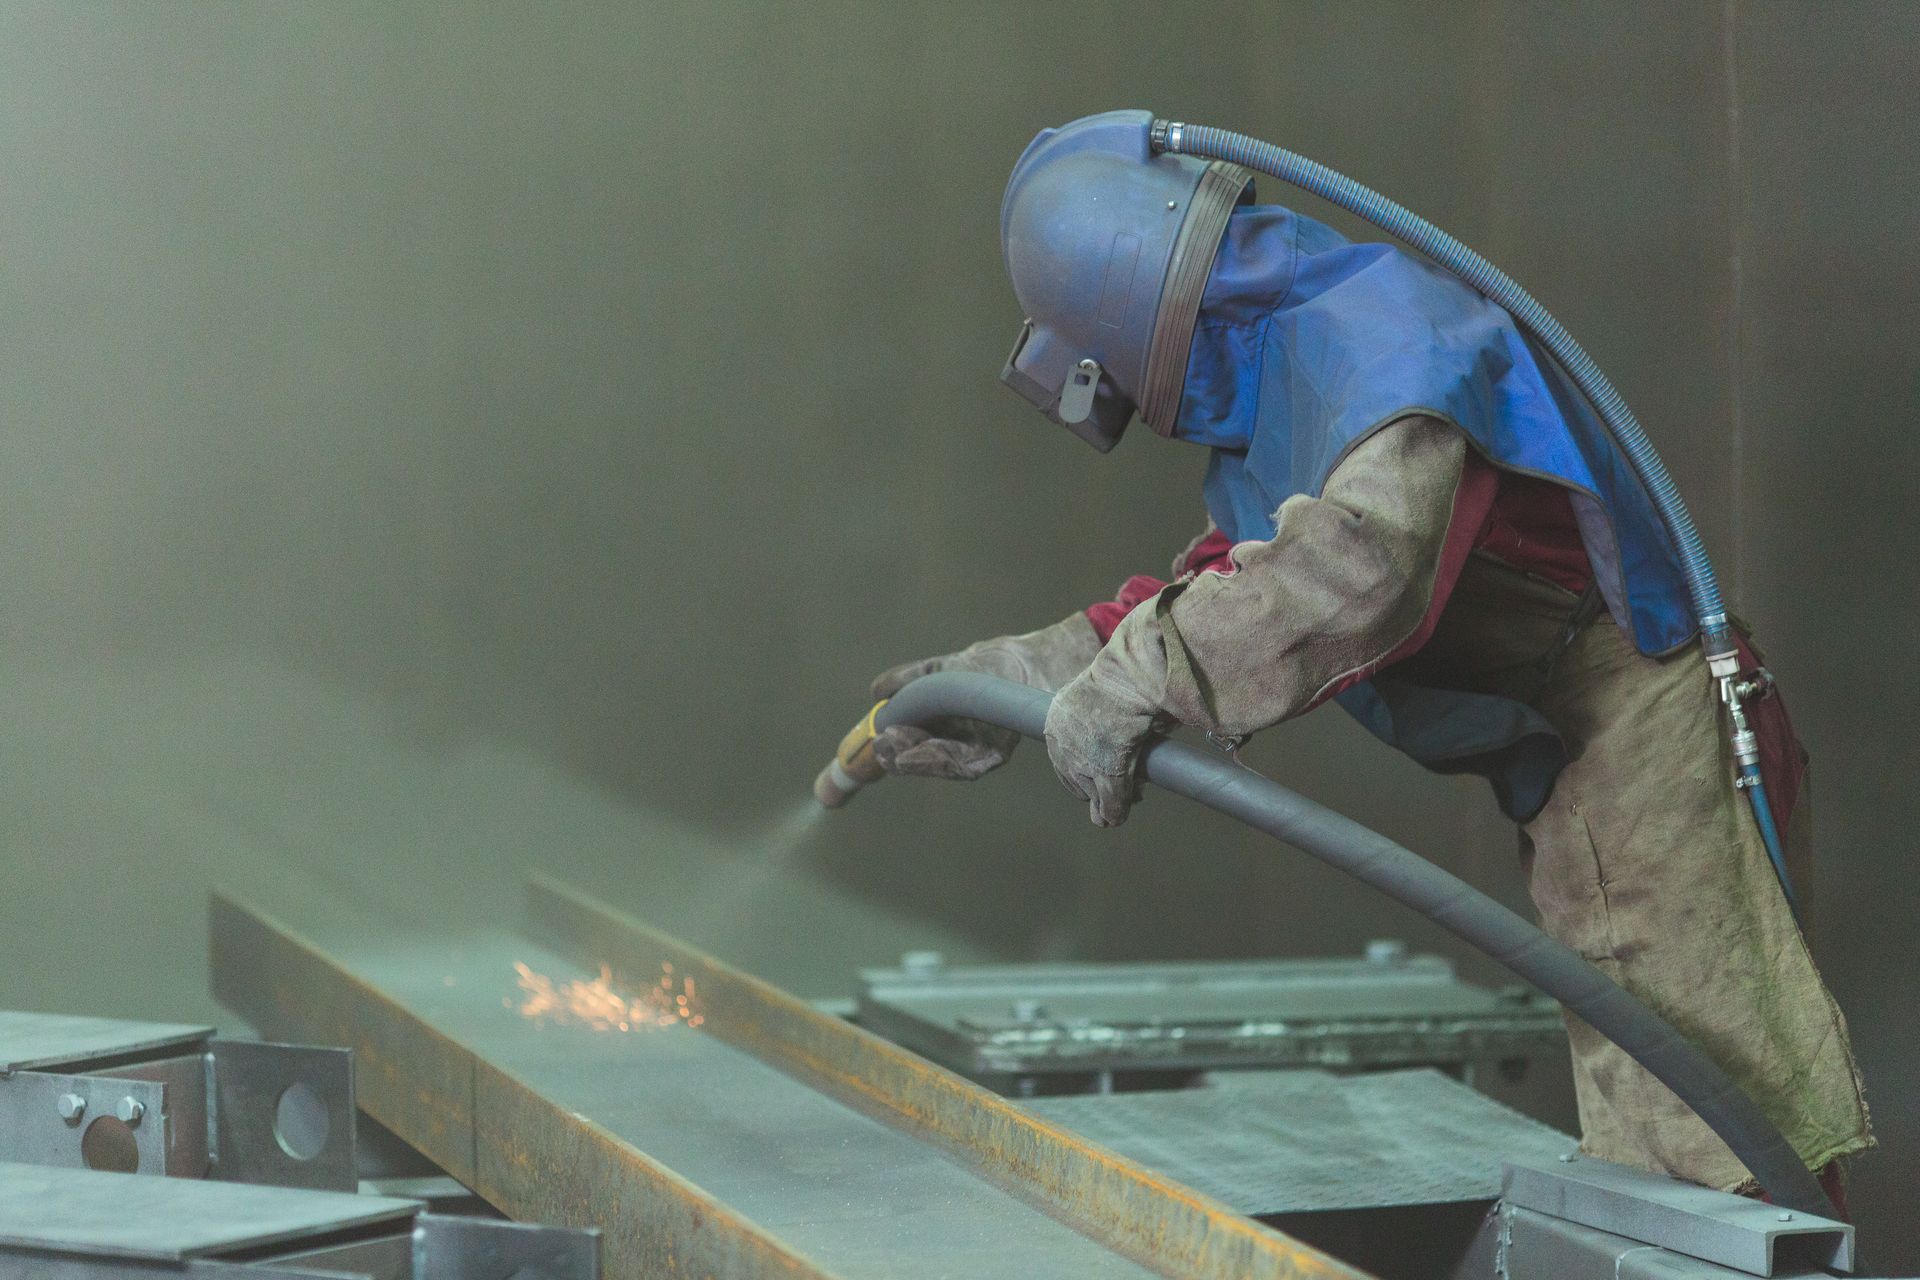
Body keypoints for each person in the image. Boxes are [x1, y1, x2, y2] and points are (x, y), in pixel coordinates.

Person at [867, 113, 1870, 1208]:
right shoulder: (1293, 380)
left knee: (1716, 1153)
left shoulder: (1380, 337)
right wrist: (1014, 678)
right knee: (1666, 1148)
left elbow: (1352, 567)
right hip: (1581, 759)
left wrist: (1146, 674)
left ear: (1137, 320)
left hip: (1648, 735)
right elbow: (1213, 584)